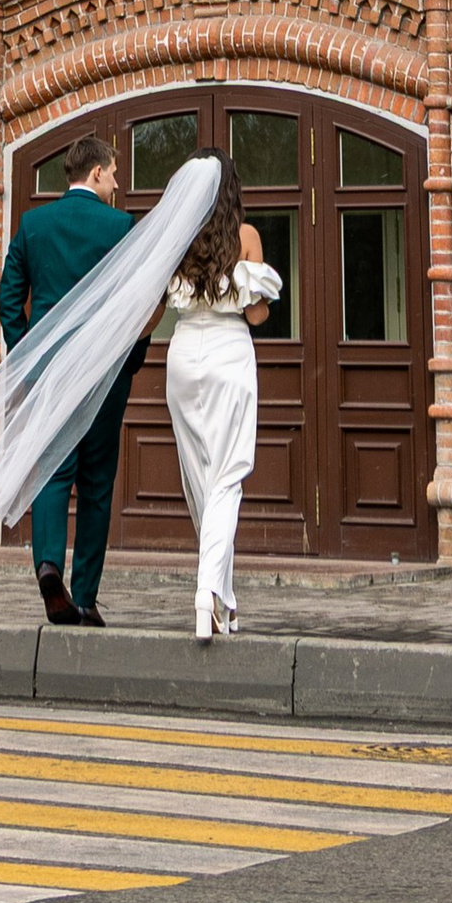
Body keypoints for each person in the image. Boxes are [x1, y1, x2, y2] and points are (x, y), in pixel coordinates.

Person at [0, 132, 137, 625]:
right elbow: (136, 307)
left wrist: (27, 354)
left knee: (53, 468)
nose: (117, 184)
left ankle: (49, 564)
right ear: (96, 172)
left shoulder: (34, 224)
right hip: (102, 372)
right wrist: (129, 360)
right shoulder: (121, 227)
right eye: (114, 174)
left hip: (50, 370)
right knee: (97, 484)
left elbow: (9, 299)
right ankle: (88, 598)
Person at [160, 155, 280, 641]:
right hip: (229, 351)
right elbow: (256, 318)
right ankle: (207, 591)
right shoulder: (246, 238)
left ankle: (224, 602)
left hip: (184, 352)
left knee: (201, 481)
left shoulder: (178, 238)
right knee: (229, 475)